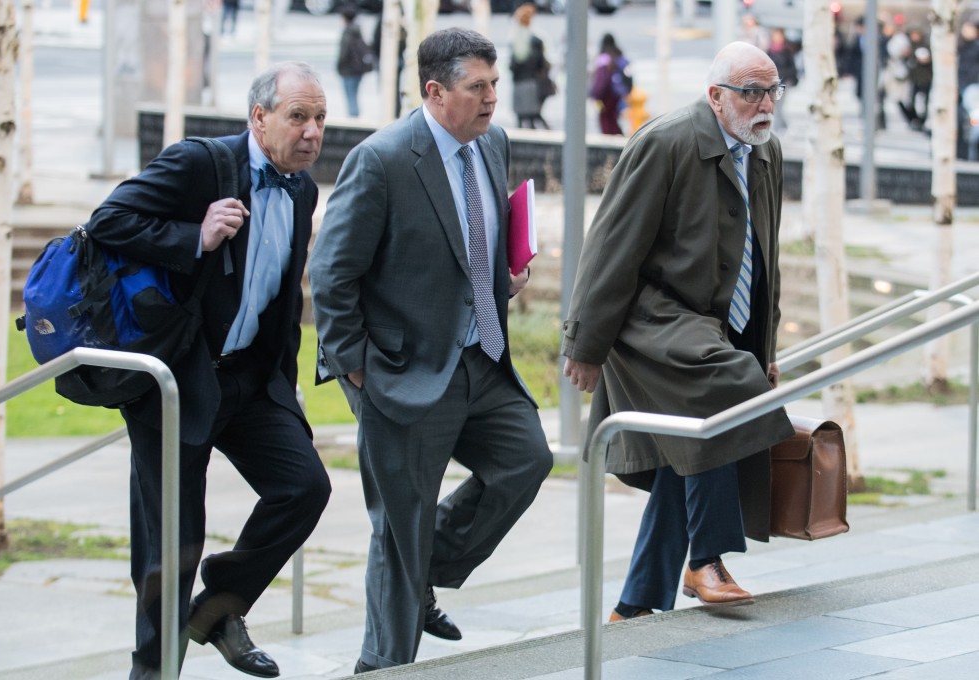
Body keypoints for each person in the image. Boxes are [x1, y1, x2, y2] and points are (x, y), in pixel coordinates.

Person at [309, 27, 553, 673]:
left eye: (496, 85)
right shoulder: (382, 159)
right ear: (435, 91)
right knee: (400, 526)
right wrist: (357, 366)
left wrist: (507, 273)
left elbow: (469, 240)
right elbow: (331, 276)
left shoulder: (493, 142)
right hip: (400, 370)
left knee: (527, 460)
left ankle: (422, 572)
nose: (493, 99)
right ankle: (383, 665)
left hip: (482, 358)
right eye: (478, 87)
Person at [86, 61, 332, 679]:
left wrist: (284, 386)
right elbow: (108, 222)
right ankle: (153, 670)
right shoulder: (200, 163)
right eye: (297, 116)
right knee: (172, 543)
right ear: (260, 118)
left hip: (250, 380)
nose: (311, 132)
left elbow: (282, 297)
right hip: (176, 379)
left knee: (305, 487)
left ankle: (219, 607)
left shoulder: (302, 189)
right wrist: (194, 236)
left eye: (319, 118)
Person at [561, 41, 795, 622]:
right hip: (653, 318)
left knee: (683, 451)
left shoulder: (767, 153)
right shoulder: (665, 142)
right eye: (750, 92)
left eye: (772, 91)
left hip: (718, 326)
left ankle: (636, 602)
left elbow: (765, 257)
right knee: (721, 393)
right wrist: (585, 345)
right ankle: (706, 559)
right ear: (716, 96)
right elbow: (610, 249)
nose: (764, 104)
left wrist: (762, 348)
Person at [509, 2, 551, 129]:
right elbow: (542, 64)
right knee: (535, 116)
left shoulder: (514, 39)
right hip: (533, 83)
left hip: (519, 84)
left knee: (521, 119)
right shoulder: (537, 40)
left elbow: (512, 66)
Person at [337, 5, 374, 118]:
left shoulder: (347, 33)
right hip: (358, 70)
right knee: (354, 95)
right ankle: (355, 116)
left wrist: (339, 67)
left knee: (350, 97)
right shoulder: (358, 31)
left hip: (348, 70)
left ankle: (353, 118)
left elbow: (343, 54)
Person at [589, 33, 629, 135]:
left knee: (605, 118)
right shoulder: (618, 54)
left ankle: (610, 141)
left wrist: (595, 95)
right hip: (617, 94)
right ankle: (618, 137)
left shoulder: (603, 58)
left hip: (605, 96)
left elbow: (601, 81)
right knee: (613, 118)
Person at [766, 27, 798, 132]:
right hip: (772, 83)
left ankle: (780, 128)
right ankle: (782, 126)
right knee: (774, 105)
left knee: (779, 105)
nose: (777, 38)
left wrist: (784, 74)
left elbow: (792, 68)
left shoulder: (787, 51)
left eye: (778, 35)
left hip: (784, 82)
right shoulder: (769, 50)